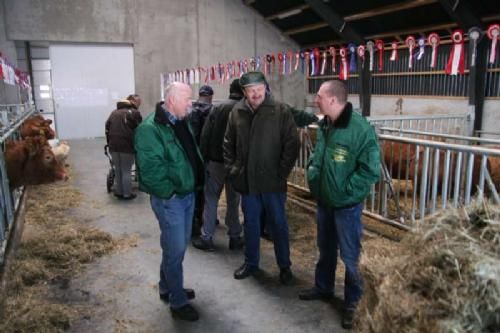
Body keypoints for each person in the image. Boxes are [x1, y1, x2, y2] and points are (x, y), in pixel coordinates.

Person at [298, 80, 380, 330]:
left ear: (332, 99)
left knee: (350, 255)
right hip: (324, 202)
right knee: (325, 248)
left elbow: (370, 170)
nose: (316, 100)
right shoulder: (325, 125)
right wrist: (313, 170)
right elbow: (319, 155)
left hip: (346, 206)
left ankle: (353, 304)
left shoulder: (360, 129)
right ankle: (323, 287)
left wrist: (347, 193)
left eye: (320, 96)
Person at [134, 82, 204, 322]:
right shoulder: (150, 128)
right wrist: (171, 193)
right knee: (175, 249)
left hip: (187, 194)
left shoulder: (179, 120)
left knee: (177, 245)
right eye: (187, 99)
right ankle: (177, 301)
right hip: (171, 199)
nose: (191, 104)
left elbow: (189, 154)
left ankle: (167, 286)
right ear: (172, 100)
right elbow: (151, 170)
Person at [223, 71, 299, 284]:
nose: (255, 94)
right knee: (251, 224)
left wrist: (281, 172)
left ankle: (285, 267)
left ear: (265, 87)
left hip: (273, 182)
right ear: (244, 92)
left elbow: (291, 144)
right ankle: (251, 262)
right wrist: (233, 169)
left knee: (278, 225)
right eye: (250, 90)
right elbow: (228, 143)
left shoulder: (280, 111)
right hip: (247, 182)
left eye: (258, 89)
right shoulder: (237, 112)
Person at [192, 79, 244, 252]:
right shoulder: (246, 109)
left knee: (211, 198)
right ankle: (235, 237)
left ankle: (207, 237)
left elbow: (206, 134)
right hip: (236, 163)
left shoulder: (219, 108)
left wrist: (204, 157)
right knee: (233, 201)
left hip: (216, 162)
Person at [105, 94, 142, 200]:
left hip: (113, 146)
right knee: (126, 170)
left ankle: (119, 192)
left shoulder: (114, 113)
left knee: (118, 169)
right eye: (137, 102)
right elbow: (139, 130)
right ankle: (127, 194)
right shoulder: (134, 113)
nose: (138, 105)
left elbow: (107, 127)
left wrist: (109, 142)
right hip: (127, 146)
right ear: (131, 102)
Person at [188, 85, 214, 237]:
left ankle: (193, 221)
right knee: (205, 189)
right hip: (206, 156)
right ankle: (203, 219)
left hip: (191, 156)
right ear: (210, 96)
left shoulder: (189, 109)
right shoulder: (212, 111)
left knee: (193, 188)